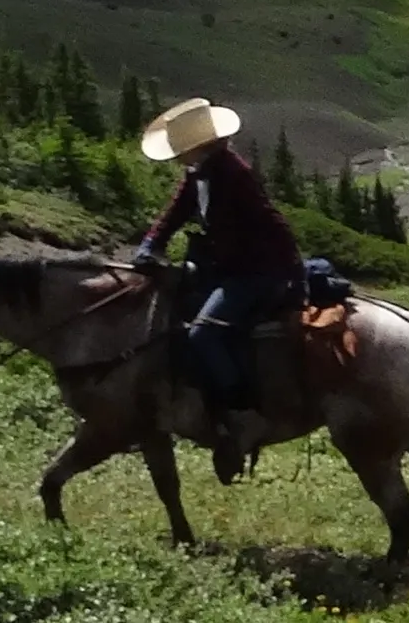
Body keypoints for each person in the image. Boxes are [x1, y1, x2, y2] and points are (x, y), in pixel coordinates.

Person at [133, 99, 319, 482]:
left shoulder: (234, 175)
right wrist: (151, 243)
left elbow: (271, 224)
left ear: (197, 144)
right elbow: (174, 213)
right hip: (228, 270)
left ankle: (243, 412)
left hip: (258, 273)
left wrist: (289, 274)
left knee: (204, 334)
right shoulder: (199, 174)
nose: (176, 157)